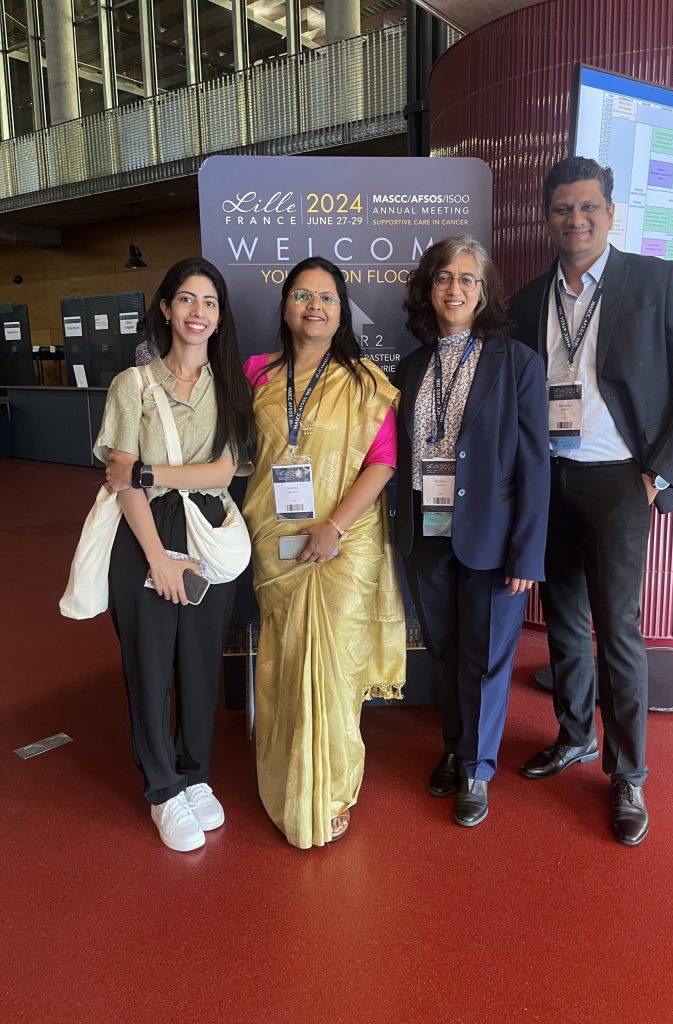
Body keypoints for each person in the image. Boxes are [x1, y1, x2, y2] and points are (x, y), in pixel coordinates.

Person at [508, 157, 673, 845]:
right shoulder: (526, 301)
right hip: (550, 479)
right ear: (547, 218)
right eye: (562, 209)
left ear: (610, 213)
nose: (575, 220)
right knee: (564, 622)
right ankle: (574, 735)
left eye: (588, 207)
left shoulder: (657, 282)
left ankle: (628, 774)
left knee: (618, 631)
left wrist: (654, 476)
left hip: (620, 480)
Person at [241, 256, 405, 850]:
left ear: (341, 313)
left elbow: (382, 463)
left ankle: (331, 793)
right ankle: (286, 782)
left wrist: (333, 526)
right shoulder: (256, 374)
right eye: (303, 295)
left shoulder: (365, 383)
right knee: (284, 664)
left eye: (327, 297)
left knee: (334, 671)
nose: (315, 306)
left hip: (345, 542)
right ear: (285, 306)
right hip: (276, 540)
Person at [95, 257, 257, 852]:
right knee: (149, 660)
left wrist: (149, 470)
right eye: (187, 299)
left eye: (210, 302)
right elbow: (121, 480)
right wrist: (159, 561)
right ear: (166, 308)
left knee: (198, 660)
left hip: (207, 526)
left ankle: (194, 772)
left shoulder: (231, 386)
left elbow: (222, 471)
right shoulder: (133, 385)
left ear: (220, 316)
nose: (198, 312)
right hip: (145, 529)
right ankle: (162, 787)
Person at [394, 235, 550, 828]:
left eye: (466, 278)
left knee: (484, 659)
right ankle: (456, 748)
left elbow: (535, 465)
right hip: (427, 531)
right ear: (428, 289)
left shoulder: (518, 363)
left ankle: (477, 769)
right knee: (446, 652)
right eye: (443, 277)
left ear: (483, 291)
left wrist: (527, 553)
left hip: (493, 535)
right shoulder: (412, 367)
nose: (454, 289)